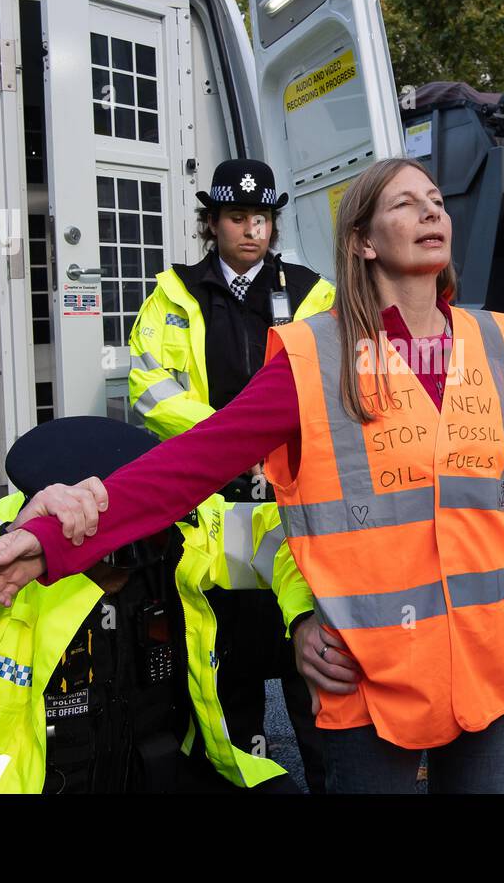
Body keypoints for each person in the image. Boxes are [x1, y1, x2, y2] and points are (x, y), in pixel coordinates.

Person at [0, 157, 504, 794]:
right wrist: (55, 536)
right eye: (404, 203)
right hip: (366, 669)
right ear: (361, 241)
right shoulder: (313, 358)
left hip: (491, 662)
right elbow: (182, 469)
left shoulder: (495, 345)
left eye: (435, 201)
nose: (429, 211)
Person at [0, 417, 300, 793]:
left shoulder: (178, 537)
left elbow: (295, 535)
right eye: (107, 553)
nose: (125, 575)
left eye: (143, 544)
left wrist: (304, 619)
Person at [127, 157, 332, 793]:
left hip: (295, 504)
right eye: (237, 217)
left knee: (314, 659)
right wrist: (228, 445)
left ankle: (328, 777)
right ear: (211, 222)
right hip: (216, 509)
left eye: (262, 218)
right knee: (227, 660)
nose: (252, 230)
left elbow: (333, 389)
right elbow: (149, 389)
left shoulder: (311, 292)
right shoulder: (174, 294)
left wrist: (268, 451)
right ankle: (236, 780)